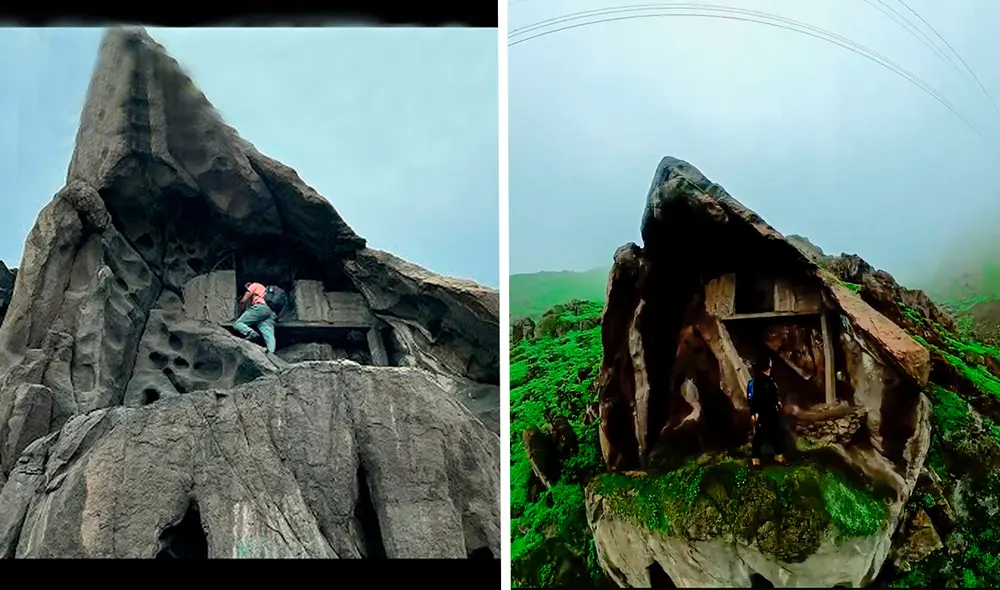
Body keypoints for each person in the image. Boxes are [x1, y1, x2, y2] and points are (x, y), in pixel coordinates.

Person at [748, 356, 787, 467]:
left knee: (776, 433)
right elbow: (753, 398)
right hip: (762, 412)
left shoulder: (771, 379)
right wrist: (754, 412)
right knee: (760, 435)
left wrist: (777, 402)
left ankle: (779, 455)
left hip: (772, 411)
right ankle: (756, 459)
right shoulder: (757, 381)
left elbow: (773, 394)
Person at [233, 282, 276, 354]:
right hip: (271, 312)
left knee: (238, 323)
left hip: (261, 308)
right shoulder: (265, 291)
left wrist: (241, 312)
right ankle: (271, 353)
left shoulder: (254, 285)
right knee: (269, 334)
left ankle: (251, 333)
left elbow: (244, 301)